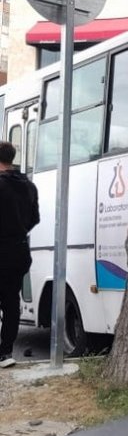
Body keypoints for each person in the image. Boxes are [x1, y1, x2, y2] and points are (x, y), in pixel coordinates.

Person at [0, 142, 40, 368]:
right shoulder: (28, 186)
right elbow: (35, 218)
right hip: (18, 251)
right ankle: (5, 353)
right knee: (10, 302)